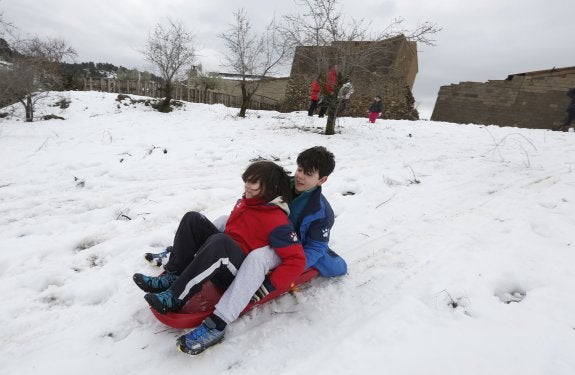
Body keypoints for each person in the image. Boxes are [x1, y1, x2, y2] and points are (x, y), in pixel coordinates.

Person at [176, 147, 347, 354]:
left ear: (322, 180)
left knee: (258, 258)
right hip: (264, 232)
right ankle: (183, 257)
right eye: (300, 169)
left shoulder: (321, 211)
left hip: (285, 247)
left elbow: (316, 247)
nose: (300, 176)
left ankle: (219, 322)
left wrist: (283, 273)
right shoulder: (281, 184)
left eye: (308, 174)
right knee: (223, 221)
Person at [133, 161, 306, 352]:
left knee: (220, 242)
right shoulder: (246, 202)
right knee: (193, 219)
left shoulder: (277, 221)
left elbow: (297, 260)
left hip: (236, 274)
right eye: (247, 180)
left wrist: (269, 286)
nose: (247, 185)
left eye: (254, 183)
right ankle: (173, 275)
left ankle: (176, 296)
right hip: (219, 256)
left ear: (270, 188)